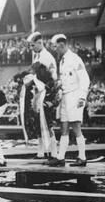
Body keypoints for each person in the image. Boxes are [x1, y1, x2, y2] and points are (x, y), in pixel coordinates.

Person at [48, 34, 90, 167]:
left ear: (62, 45)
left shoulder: (75, 59)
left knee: (76, 127)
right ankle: (61, 157)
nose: (55, 50)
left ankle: (82, 157)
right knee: (64, 126)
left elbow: (85, 79)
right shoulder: (62, 60)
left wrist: (82, 97)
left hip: (75, 96)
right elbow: (65, 78)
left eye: (56, 47)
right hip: (65, 97)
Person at [26, 31, 59, 159]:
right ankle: (41, 151)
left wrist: (49, 93)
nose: (31, 48)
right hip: (37, 93)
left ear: (40, 43)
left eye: (33, 45)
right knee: (37, 122)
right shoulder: (37, 56)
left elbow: (53, 77)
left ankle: (54, 152)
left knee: (48, 122)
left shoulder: (47, 57)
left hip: (47, 93)